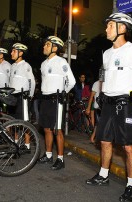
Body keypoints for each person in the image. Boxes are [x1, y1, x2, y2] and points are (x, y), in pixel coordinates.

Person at [85, 13, 132, 202]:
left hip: (125, 103)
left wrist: (128, 91)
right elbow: (103, 78)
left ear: (122, 28)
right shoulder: (106, 53)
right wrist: (102, 96)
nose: (106, 29)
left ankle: (131, 185)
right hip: (107, 103)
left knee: (128, 147)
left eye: (110, 25)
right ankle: (103, 175)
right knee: (104, 141)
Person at [38, 36, 76, 170]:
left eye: (47, 45)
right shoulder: (43, 64)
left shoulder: (61, 62)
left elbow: (71, 81)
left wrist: (63, 93)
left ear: (54, 48)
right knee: (47, 128)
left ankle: (60, 159)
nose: (44, 47)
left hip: (57, 99)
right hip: (45, 99)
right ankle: (48, 155)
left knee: (57, 130)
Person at [9, 42, 35, 149]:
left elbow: (32, 81)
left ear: (20, 53)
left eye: (14, 51)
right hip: (13, 96)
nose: (11, 53)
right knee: (13, 121)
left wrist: (30, 95)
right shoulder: (13, 66)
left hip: (23, 96)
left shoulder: (26, 66)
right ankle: (15, 143)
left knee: (24, 122)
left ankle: (27, 145)